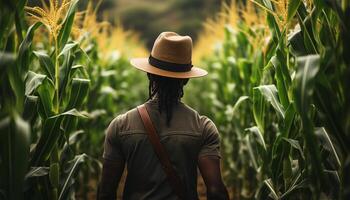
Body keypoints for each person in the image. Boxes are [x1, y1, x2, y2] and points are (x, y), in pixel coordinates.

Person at [97, 32, 229, 200]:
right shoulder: (203, 127)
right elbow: (216, 191)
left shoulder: (121, 126)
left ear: (149, 74)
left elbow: (106, 192)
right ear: (186, 80)